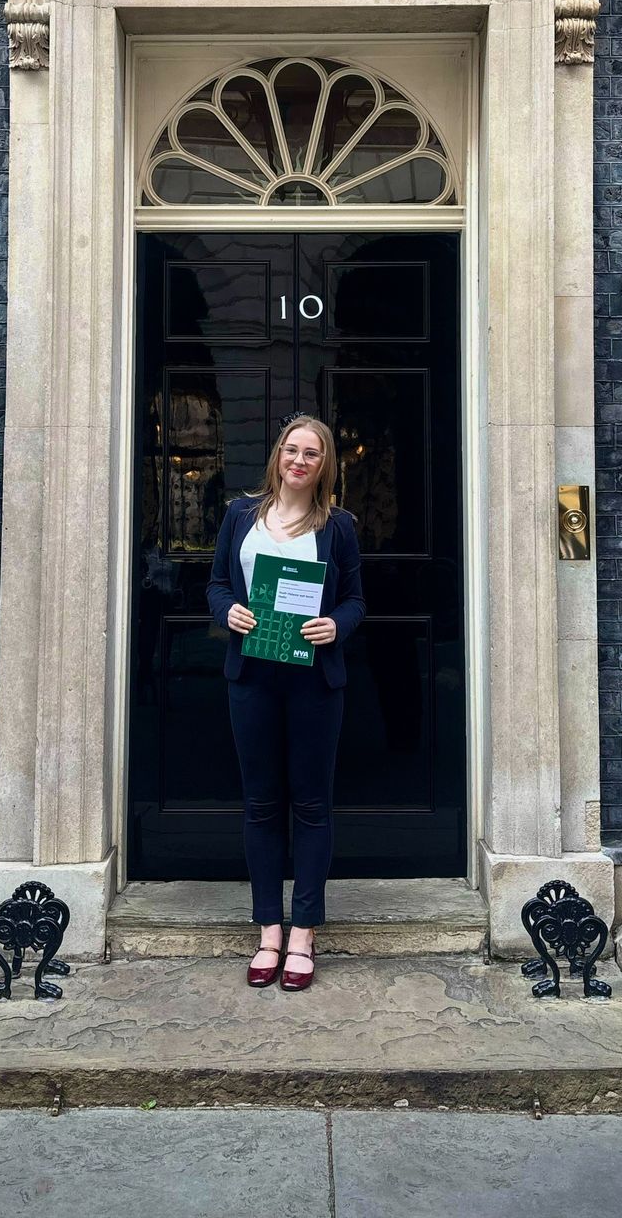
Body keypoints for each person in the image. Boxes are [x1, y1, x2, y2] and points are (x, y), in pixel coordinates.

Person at [206, 414, 365, 992]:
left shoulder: (338, 525)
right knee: (260, 804)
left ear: (325, 465)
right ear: (277, 456)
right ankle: (268, 930)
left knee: (313, 805)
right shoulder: (239, 516)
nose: (299, 460)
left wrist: (335, 626)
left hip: (313, 682)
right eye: (292, 450)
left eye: (312, 453)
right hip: (252, 676)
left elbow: (354, 599)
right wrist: (227, 611)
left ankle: (304, 932)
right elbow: (217, 583)